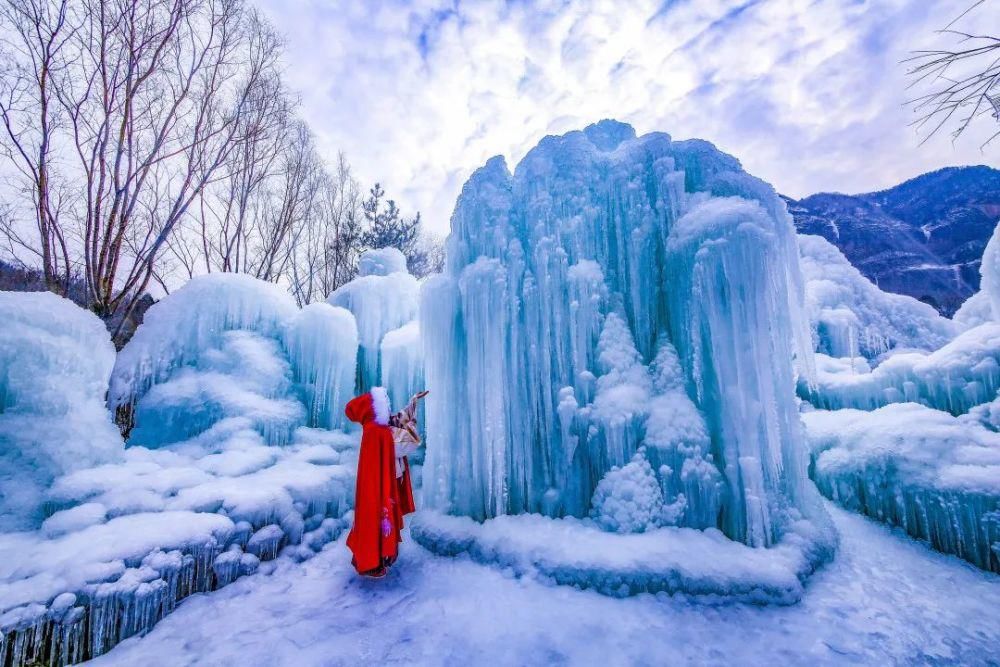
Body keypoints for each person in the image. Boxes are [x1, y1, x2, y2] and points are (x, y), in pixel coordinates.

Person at [344, 387, 428, 578]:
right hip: (383, 484)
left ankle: (378, 556)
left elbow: (398, 419)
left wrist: (413, 401)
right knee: (379, 516)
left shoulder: (375, 428)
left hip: (383, 482)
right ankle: (375, 559)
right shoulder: (378, 431)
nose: (388, 406)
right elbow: (406, 443)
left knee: (376, 516)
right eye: (384, 403)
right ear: (375, 408)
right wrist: (410, 427)